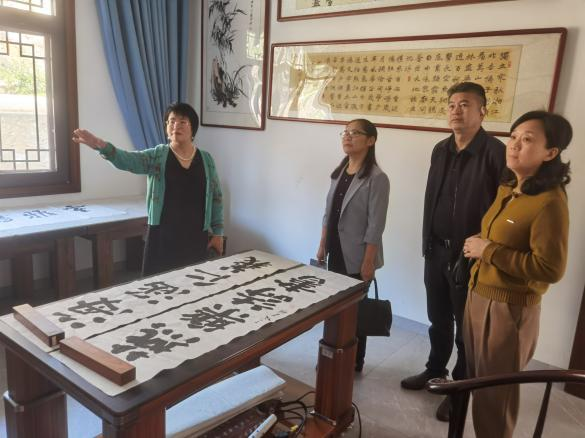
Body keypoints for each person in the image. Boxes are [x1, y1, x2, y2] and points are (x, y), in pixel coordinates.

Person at [400, 82, 506, 421]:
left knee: (466, 328)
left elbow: (501, 208)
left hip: (469, 256)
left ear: (483, 111)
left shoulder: (495, 152)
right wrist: (426, 243)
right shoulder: (441, 149)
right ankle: (435, 370)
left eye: (465, 104)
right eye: (451, 105)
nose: (456, 110)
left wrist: (482, 248)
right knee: (438, 318)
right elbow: (433, 198)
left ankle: (460, 390)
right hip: (436, 250)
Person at [462, 111, 571, 438]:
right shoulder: (509, 187)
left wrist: (488, 251)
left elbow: (550, 268)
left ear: (550, 153)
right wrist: (482, 244)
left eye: (528, 139)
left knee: (496, 398)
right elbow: (501, 237)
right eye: (513, 137)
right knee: (480, 386)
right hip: (478, 296)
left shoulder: (549, 202)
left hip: (508, 310)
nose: (515, 145)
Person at [72, 102, 224, 276]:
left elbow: (216, 197)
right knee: (159, 285)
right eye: (171, 121)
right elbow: (128, 160)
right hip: (162, 236)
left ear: (193, 128)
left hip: (196, 236)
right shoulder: (157, 156)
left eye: (182, 122)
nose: (176, 126)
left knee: (194, 282)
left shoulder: (206, 159)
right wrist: (101, 146)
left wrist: (218, 233)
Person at [316, 118, 390, 373]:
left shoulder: (377, 178)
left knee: (356, 311)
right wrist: (322, 244)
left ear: (370, 140)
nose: (347, 136)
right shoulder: (339, 172)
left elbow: (376, 225)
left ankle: (353, 360)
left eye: (355, 133)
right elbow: (328, 213)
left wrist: (368, 261)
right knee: (334, 306)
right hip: (335, 250)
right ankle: (332, 355)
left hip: (358, 255)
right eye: (345, 132)